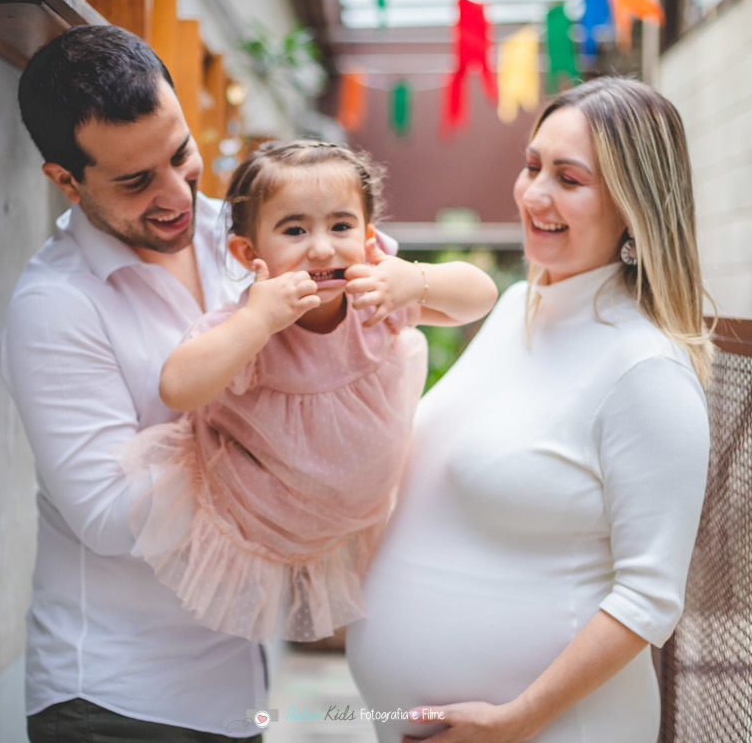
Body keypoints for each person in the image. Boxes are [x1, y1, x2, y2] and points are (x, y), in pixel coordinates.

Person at [345, 76, 714, 743]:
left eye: (569, 179)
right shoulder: (520, 308)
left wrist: (517, 720)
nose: (534, 194)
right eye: (533, 166)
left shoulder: (645, 371)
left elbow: (649, 597)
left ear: (634, 206)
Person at [119, 141, 498, 644]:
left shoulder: (373, 300)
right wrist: (256, 321)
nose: (321, 247)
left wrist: (419, 280)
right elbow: (179, 388)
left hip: (359, 514)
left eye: (340, 226)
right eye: (295, 229)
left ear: (367, 238)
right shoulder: (248, 327)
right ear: (249, 253)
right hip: (261, 514)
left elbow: (480, 297)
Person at [1, 25, 263, 742]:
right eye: (136, 181)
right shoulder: (56, 305)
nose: (176, 194)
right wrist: (261, 419)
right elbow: (111, 517)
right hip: (114, 705)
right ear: (66, 179)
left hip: (239, 687)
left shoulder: (237, 235)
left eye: (180, 154)